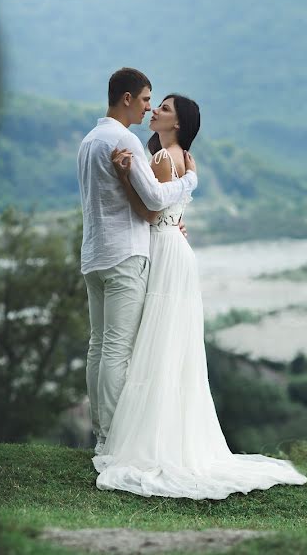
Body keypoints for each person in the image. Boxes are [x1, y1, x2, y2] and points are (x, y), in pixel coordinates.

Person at [93, 93, 307, 500]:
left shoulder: (160, 159)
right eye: (155, 105)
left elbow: (152, 212)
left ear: (178, 123)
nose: (155, 111)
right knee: (171, 348)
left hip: (161, 248)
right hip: (177, 250)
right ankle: (172, 438)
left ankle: (135, 439)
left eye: (165, 108)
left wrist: (124, 177)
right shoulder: (180, 157)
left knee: (149, 346)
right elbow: (172, 211)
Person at [77, 68, 198, 456]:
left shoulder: (89, 140)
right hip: (125, 254)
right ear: (127, 99)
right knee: (116, 349)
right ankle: (110, 438)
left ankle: (100, 432)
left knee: (98, 346)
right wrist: (190, 182)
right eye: (146, 99)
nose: (149, 107)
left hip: (93, 254)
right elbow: (156, 200)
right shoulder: (124, 140)